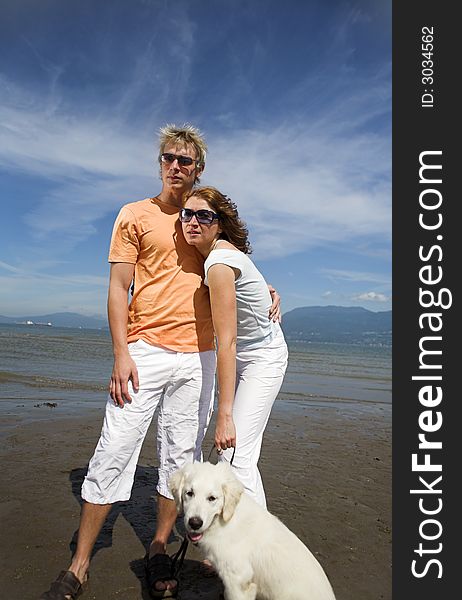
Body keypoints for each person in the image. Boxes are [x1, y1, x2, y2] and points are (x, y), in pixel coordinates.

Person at [40, 125, 280, 600]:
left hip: (199, 359)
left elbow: (236, 265)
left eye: (185, 161)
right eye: (169, 157)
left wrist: (268, 290)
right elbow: (116, 288)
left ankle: (157, 549)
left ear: (198, 169)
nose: (175, 166)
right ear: (160, 162)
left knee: (180, 461)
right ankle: (79, 563)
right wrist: (121, 353)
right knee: (113, 452)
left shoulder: (203, 219)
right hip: (144, 353)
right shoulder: (134, 215)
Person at [180, 186, 288, 508]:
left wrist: (224, 415)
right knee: (237, 453)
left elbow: (226, 342)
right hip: (243, 358)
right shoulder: (218, 258)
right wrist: (268, 290)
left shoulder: (218, 262)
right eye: (187, 214)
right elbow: (251, 290)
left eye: (204, 215)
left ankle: (258, 544)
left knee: (235, 453)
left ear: (220, 223)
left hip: (262, 359)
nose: (193, 222)